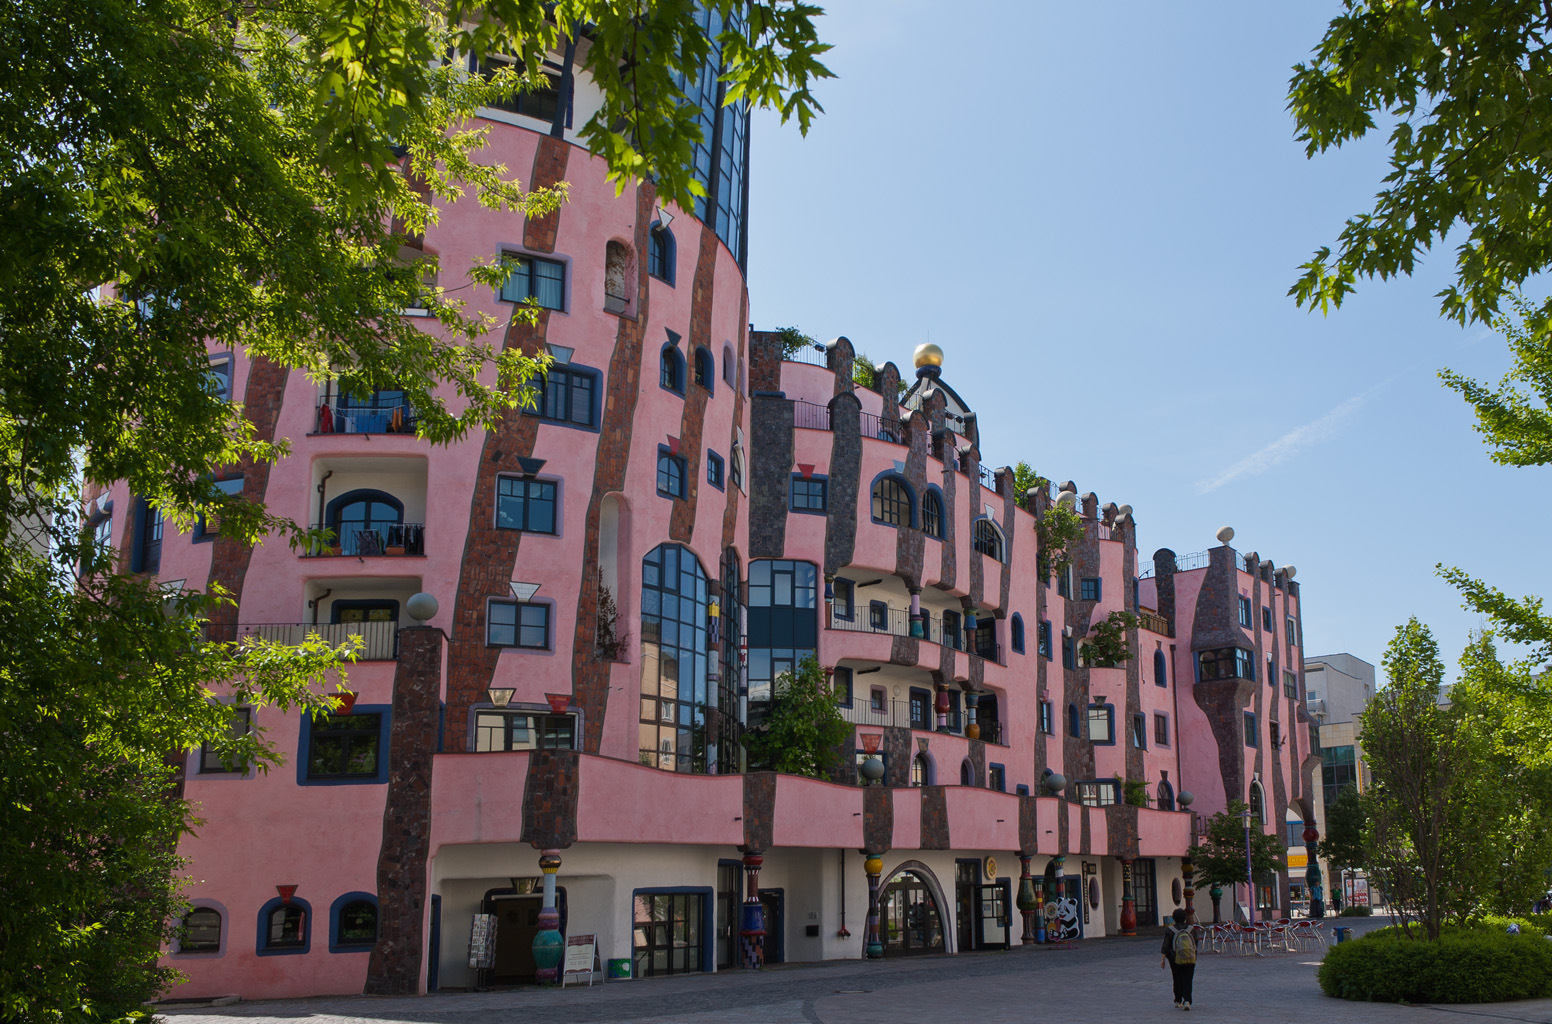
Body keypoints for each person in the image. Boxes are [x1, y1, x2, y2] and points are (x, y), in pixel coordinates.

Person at [1160, 907, 1197, 1010]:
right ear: (1185, 917)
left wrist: (1163, 959)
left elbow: (1165, 945)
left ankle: (1178, 1000)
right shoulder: (1191, 929)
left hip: (1175, 958)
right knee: (1188, 979)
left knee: (1177, 978)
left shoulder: (1170, 930)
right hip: (1190, 958)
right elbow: (1195, 944)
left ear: (1174, 918)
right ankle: (1187, 1001)